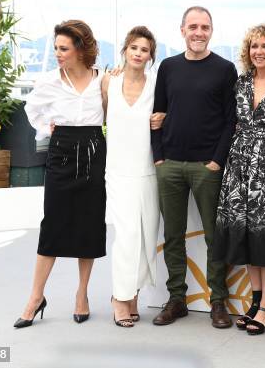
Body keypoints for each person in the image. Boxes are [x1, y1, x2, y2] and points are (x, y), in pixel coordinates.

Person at [151, 6, 238, 328]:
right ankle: (177, 299)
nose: (198, 32)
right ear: (182, 30)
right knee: (173, 236)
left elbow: (231, 120)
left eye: (204, 27)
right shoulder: (168, 67)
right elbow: (157, 113)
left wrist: (217, 160)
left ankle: (218, 301)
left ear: (211, 31)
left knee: (215, 237)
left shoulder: (225, 69)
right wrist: (159, 157)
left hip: (207, 166)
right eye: (193, 26)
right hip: (170, 165)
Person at [16, 20, 106, 328]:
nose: (57, 53)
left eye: (63, 48)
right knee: (52, 223)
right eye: (55, 48)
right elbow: (32, 111)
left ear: (81, 49)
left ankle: (82, 294)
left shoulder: (102, 80)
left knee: (90, 223)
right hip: (62, 151)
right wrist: (46, 127)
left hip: (94, 151)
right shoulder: (49, 81)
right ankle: (35, 297)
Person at [213, 24, 265, 335]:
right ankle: (255, 301)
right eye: (254, 46)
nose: (259, 51)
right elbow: (229, 122)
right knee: (247, 233)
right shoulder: (241, 83)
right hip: (240, 163)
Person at [102, 26, 163, 327]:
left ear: (151, 56)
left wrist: (163, 118)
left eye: (145, 50)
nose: (139, 53)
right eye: (134, 48)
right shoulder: (108, 82)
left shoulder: (156, 84)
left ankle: (133, 294)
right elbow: (93, 116)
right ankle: (119, 297)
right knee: (126, 235)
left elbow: (171, 114)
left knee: (146, 236)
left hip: (148, 170)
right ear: (125, 50)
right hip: (117, 171)